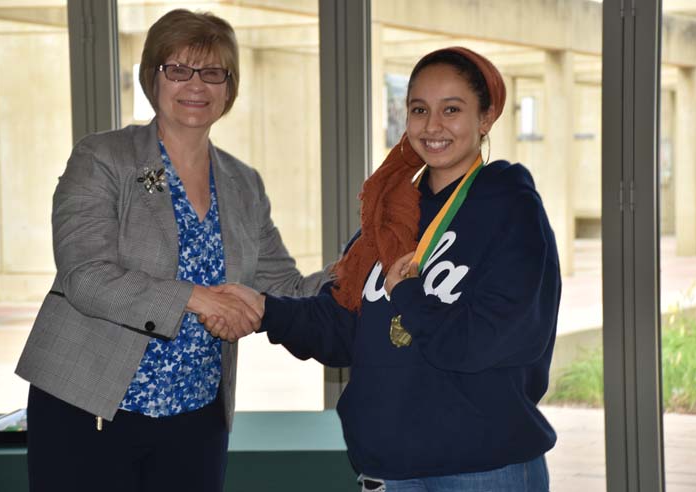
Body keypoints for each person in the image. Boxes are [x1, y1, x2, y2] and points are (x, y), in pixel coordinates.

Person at [206, 47, 561, 491]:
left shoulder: (510, 210)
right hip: (389, 470)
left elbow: (485, 340)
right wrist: (265, 311)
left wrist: (410, 296)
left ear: (486, 118)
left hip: (482, 468)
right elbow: (343, 327)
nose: (433, 126)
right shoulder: (389, 217)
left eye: (452, 109)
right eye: (419, 109)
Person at [15, 9, 327, 492]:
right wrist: (197, 298)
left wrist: (360, 269)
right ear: (151, 78)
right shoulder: (104, 158)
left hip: (196, 419)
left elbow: (286, 287)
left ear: (230, 86)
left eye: (212, 72)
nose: (195, 85)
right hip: (90, 409)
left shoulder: (243, 184)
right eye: (177, 69)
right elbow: (86, 277)